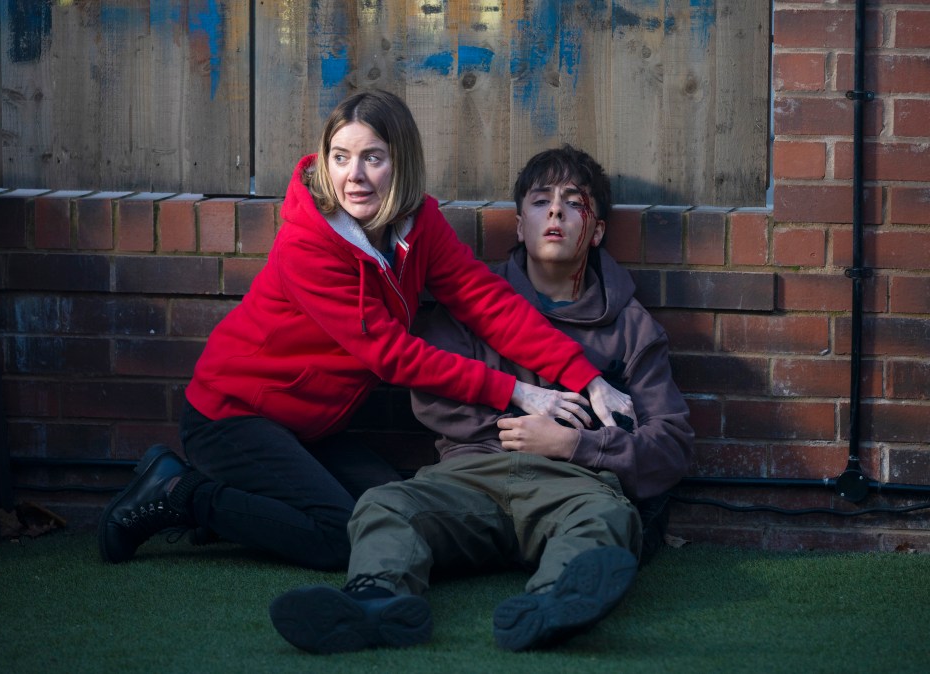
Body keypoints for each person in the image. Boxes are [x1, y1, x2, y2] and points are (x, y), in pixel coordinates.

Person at [97, 92, 635, 570]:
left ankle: (235, 505)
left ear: (399, 164)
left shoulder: (418, 223)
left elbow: (487, 301)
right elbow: (392, 356)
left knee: (391, 511)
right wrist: (518, 391)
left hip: (306, 426)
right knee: (339, 539)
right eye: (340, 157)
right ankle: (180, 492)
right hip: (231, 416)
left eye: (372, 158)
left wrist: (586, 378)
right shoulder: (307, 244)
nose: (353, 174)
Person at [267, 145, 694, 653]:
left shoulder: (632, 329)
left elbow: (670, 445)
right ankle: (375, 602)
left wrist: (571, 445)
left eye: (573, 202)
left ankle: (554, 605)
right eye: (540, 201)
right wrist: (518, 427)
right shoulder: (475, 303)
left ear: (596, 231)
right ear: (519, 226)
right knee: (386, 503)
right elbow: (432, 397)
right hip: (468, 480)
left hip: (573, 487)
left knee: (606, 521)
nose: (555, 211)